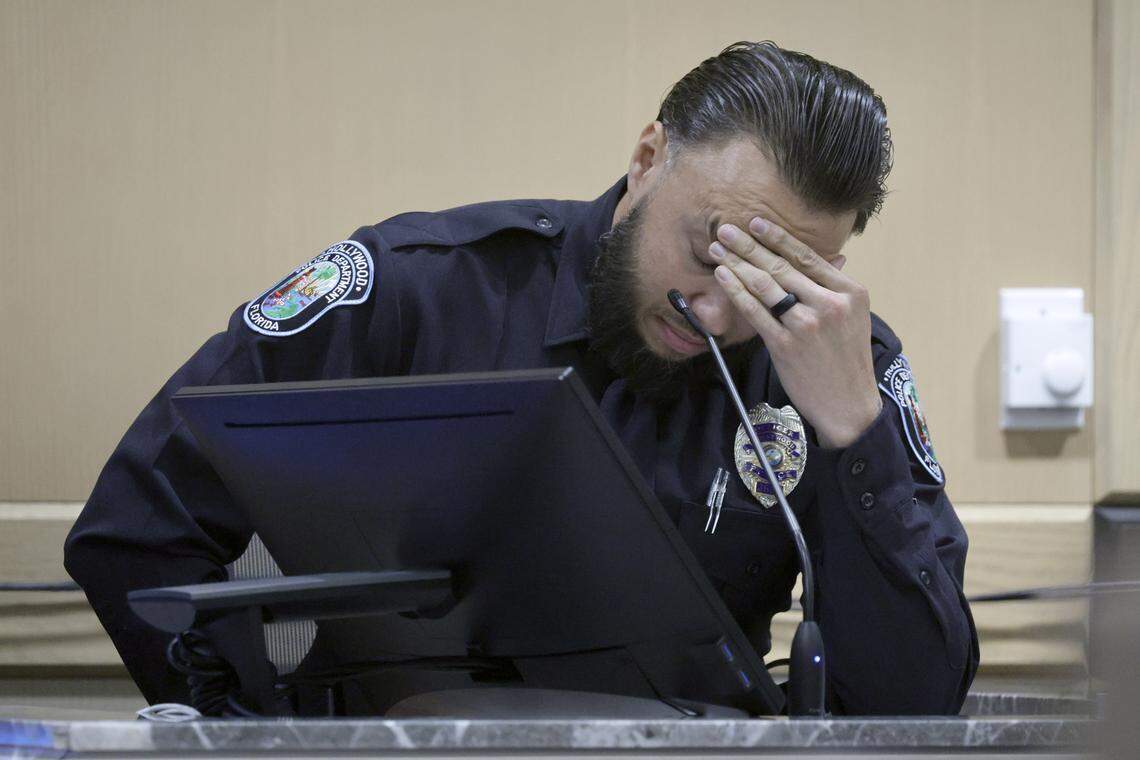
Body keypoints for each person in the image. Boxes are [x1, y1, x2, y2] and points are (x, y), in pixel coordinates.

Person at [65, 41, 979, 715]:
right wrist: (238, 734)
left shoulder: (836, 363)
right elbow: (135, 528)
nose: (719, 313)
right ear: (649, 159)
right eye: (711, 251)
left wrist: (856, 439)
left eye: (772, 280)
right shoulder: (415, 289)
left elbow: (912, 705)